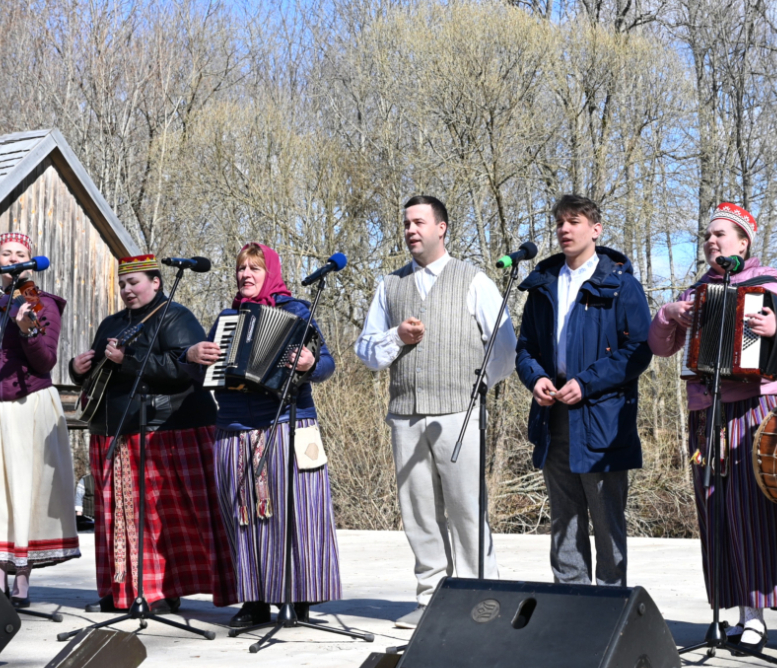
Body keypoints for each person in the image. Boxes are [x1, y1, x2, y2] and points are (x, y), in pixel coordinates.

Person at [648, 202, 777, 646]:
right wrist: (669, 313)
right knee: (716, 509)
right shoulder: (696, 291)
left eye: (721, 234)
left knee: (752, 511)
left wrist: (774, 327)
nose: (711, 241)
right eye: (708, 235)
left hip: (755, 408)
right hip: (708, 410)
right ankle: (729, 608)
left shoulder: (769, 283)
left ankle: (756, 613)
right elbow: (662, 348)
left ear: (744, 242)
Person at [355, 195, 518, 630]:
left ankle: (483, 597)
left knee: (467, 508)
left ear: (441, 228)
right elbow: (367, 351)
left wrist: (476, 387)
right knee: (419, 511)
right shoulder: (389, 285)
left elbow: (504, 347)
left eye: (419, 222)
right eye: (406, 223)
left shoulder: (473, 280)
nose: (410, 229)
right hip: (406, 415)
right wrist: (396, 337)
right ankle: (430, 598)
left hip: (458, 414)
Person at [187, 243, 341, 629]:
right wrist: (191, 358)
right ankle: (254, 601)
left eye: (254, 268)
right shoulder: (227, 319)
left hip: (289, 423)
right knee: (242, 518)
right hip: (236, 427)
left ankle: (298, 598)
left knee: (297, 516)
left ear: (269, 271)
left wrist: (309, 363)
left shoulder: (296, 311)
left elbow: (326, 364)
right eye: (241, 269)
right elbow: (202, 377)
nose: (246, 275)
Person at [70, 254, 234, 613]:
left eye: (135, 283)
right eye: (123, 284)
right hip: (114, 430)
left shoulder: (175, 316)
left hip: (166, 430)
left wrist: (125, 361)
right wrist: (78, 369)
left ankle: (160, 590)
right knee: (116, 519)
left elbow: (188, 370)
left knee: (160, 521)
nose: (128, 290)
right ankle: (121, 589)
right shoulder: (112, 322)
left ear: (156, 282)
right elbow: (100, 374)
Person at [514, 194, 652, 587]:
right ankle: (570, 606)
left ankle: (609, 611)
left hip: (603, 420)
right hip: (553, 415)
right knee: (564, 519)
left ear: (596, 229)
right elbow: (526, 348)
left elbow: (639, 351)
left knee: (607, 519)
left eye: (573, 221)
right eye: (559, 222)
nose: (564, 229)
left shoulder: (622, 285)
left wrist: (586, 383)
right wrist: (535, 377)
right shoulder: (543, 284)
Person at [0, 231, 80, 605]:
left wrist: (26, 329)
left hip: (30, 405)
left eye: (19, 253)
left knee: (25, 490)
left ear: (30, 260)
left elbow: (45, 361)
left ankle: (22, 576)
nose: (11, 259)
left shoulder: (42, 304)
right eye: (5, 253)